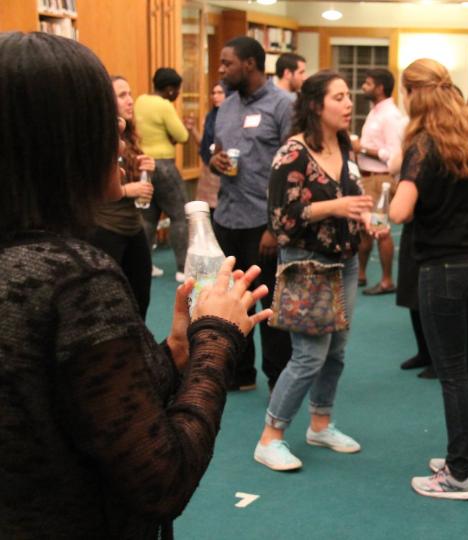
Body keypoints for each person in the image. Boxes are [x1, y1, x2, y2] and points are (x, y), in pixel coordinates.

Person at [0, 31, 271, 539]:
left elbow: (84, 402)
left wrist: (174, 351)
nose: (122, 128)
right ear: (61, 141)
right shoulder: (76, 279)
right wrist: (216, 338)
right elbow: (162, 478)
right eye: (106, 116)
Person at [254, 70, 373, 471]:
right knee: (308, 355)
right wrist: (333, 208)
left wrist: (361, 217)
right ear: (315, 105)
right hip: (308, 264)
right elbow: (281, 220)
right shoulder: (292, 153)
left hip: (345, 260)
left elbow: (350, 195)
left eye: (347, 96)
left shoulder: (343, 144)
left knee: (337, 351)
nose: (348, 103)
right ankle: (270, 437)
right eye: (339, 97)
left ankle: (320, 424)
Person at [389, 58, 468, 500]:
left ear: (413, 94)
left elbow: (399, 211)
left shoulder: (424, 145)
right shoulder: (467, 136)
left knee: (452, 372)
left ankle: (458, 474)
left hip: (443, 267)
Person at [209, 37, 294, 392]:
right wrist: (213, 160)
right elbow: (216, 150)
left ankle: (279, 379)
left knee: (270, 302)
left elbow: (293, 170)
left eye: (226, 62)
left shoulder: (284, 105)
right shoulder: (226, 107)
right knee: (233, 300)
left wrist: (276, 227)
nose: (221, 68)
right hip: (226, 216)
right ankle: (241, 373)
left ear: (249, 64)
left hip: (264, 223)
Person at [88, 75, 155, 320]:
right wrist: (129, 190)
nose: (130, 100)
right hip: (106, 228)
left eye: (130, 94)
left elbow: (133, 180)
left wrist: (146, 168)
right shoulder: (97, 136)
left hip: (132, 225)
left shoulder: (130, 134)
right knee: (109, 305)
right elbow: (90, 189)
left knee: (140, 299)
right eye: (122, 95)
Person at [135, 67, 190, 283]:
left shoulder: (140, 101)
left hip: (143, 166)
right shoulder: (164, 106)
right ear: (169, 90)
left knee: (147, 218)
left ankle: (145, 264)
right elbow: (182, 135)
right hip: (164, 164)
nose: (177, 95)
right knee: (179, 215)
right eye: (177, 90)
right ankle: (183, 268)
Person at [353, 68, 405, 295]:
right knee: (365, 230)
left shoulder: (390, 116)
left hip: (380, 180)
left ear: (380, 88)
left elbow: (393, 155)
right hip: (367, 178)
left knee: (379, 229)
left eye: (368, 83)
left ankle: (386, 281)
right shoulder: (376, 111)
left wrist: (361, 148)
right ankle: (361, 275)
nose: (364, 86)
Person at [195, 82, 226, 211]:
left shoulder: (232, 117)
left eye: (220, 93)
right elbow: (204, 145)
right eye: (213, 93)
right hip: (208, 170)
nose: (215, 96)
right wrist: (193, 131)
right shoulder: (209, 117)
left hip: (223, 168)